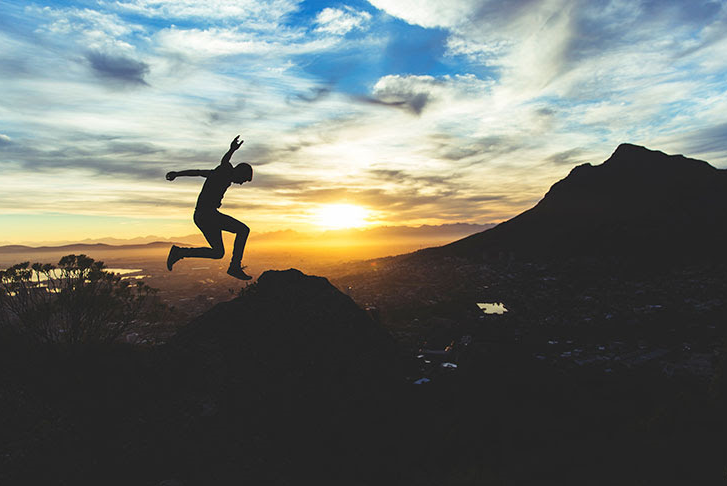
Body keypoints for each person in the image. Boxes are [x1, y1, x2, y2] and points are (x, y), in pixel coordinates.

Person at [165, 135, 253, 280]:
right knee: (243, 230)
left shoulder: (221, 175)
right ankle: (234, 267)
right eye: (243, 179)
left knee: (218, 253)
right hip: (207, 215)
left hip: (203, 216)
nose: (242, 183)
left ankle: (179, 252)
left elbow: (198, 172)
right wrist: (231, 150)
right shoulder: (225, 171)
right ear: (239, 173)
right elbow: (225, 161)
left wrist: (177, 174)